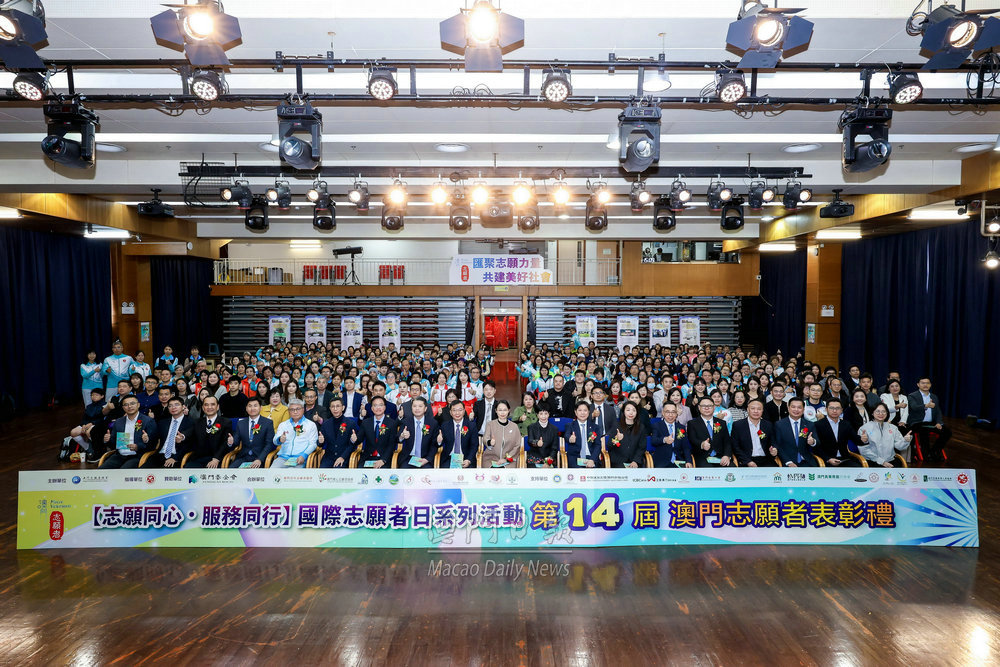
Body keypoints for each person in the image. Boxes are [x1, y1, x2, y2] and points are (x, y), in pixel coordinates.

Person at [99, 395, 158, 469]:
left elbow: (153, 444)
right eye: (126, 404)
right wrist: (107, 440)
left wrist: (142, 443)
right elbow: (113, 445)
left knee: (124, 471)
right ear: (123, 407)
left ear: (138, 405)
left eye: (132, 403)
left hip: (137, 455)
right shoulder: (119, 422)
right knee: (101, 470)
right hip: (119, 455)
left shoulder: (147, 421)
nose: (129, 406)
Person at [905, 376, 952, 462]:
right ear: (918, 384)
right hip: (917, 422)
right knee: (924, 430)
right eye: (923, 383)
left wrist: (939, 422)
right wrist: (926, 405)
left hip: (931, 423)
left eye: (927, 383)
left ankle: (934, 451)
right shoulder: (912, 396)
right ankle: (926, 454)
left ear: (930, 385)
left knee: (947, 432)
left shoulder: (934, 397)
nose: (925, 385)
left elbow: (938, 411)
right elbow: (914, 407)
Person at [141, 396, 194, 469]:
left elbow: (191, 445)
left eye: (176, 405)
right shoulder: (163, 422)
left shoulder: (191, 423)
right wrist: (147, 439)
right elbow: (154, 439)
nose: (173, 407)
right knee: (142, 471)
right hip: (159, 455)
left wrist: (176, 458)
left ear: (183, 407)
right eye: (170, 406)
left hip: (177, 456)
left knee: (164, 472)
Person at [181, 395, 231, 468]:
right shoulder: (197, 422)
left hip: (216, 458)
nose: (209, 407)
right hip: (198, 458)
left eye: (212, 404)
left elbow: (225, 443)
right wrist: (182, 436)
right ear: (203, 408)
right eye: (206, 405)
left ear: (217, 407)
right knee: (188, 468)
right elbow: (189, 432)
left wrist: (216, 459)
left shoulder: (225, 422)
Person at [859, 403, 912, 467]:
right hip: (873, 461)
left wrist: (906, 441)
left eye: (883, 411)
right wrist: (882, 462)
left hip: (891, 461)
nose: (881, 414)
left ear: (887, 413)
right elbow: (863, 450)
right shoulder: (864, 428)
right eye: (877, 411)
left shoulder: (893, 428)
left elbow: (899, 446)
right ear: (872, 413)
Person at [228, 397, 275, 468]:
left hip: (260, 458)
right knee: (230, 471)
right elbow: (236, 442)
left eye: (255, 406)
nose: (252, 408)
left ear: (260, 408)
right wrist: (231, 442)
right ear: (246, 408)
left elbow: (269, 444)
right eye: (250, 406)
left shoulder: (268, 423)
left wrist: (260, 459)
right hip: (243, 458)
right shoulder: (241, 423)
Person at [270, 399, 318, 468]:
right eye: (292, 410)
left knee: (292, 474)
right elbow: (275, 441)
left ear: (303, 409)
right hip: (283, 458)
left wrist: (304, 455)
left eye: (298, 409)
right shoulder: (283, 425)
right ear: (289, 411)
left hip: (300, 458)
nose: (295, 412)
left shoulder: (311, 425)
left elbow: (313, 444)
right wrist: (279, 439)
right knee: (272, 472)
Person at [687, 396, 733, 467]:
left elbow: (727, 442)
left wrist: (726, 455)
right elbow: (692, 439)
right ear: (699, 407)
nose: (707, 408)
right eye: (703, 406)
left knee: (732, 469)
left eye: (709, 406)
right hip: (703, 458)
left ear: (714, 407)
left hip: (721, 457)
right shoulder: (692, 423)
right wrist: (702, 444)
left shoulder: (722, 423)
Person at [730, 398, 778, 467]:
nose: (756, 411)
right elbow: (735, 447)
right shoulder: (738, 425)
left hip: (766, 460)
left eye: (759, 409)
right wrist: (748, 461)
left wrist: (774, 449)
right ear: (748, 410)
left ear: (762, 411)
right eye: (753, 408)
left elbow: (773, 442)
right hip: (746, 460)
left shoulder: (768, 425)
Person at [813, 398, 859, 467]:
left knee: (858, 468)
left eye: (837, 408)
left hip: (844, 459)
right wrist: (828, 459)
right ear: (826, 409)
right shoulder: (818, 425)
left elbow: (856, 439)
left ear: (841, 410)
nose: (834, 411)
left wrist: (864, 439)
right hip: (826, 460)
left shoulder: (846, 424)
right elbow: (816, 448)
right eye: (831, 408)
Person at [64, 387, 106, 463]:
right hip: (87, 424)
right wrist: (83, 425)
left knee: (89, 432)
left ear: (102, 396)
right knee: (73, 432)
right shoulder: (89, 406)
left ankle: (97, 450)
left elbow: (103, 419)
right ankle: (87, 448)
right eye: (92, 395)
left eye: (96, 395)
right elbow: (85, 418)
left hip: (97, 424)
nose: (94, 397)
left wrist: (92, 423)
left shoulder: (105, 405)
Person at [774, 397, 817, 467]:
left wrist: (813, 442)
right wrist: (788, 462)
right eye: (793, 407)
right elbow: (778, 446)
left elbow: (817, 441)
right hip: (788, 462)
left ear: (803, 410)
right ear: (788, 408)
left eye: (799, 407)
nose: (796, 410)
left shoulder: (809, 424)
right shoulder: (779, 425)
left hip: (807, 461)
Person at [395, 397, 438, 468]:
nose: (417, 408)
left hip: (425, 458)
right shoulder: (406, 422)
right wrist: (402, 436)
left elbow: (434, 445)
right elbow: (397, 439)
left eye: (420, 406)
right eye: (414, 406)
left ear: (425, 409)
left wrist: (427, 459)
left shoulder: (433, 423)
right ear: (411, 408)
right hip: (408, 458)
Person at [358, 396, 398, 469]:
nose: (378, 408)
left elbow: (392, 444)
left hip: (384, 458)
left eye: (380, 405)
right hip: (367, 457)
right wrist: (354, 439)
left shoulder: (392, 423)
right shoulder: (365, 423)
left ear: (384, 407)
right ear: (372, 408)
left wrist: (383, 460)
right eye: (375, 405)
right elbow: (359, 439)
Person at [318, 397, 359, 468]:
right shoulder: (326, 424)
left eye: (338, 406)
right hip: (328, 458)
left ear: (343, 408)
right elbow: (320, 444)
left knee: (338, 470)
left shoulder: (350, 423)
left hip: (344, 457)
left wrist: (343, 457)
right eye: (333, 407)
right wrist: (321, 442)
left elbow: (352, 445)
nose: (335, 409)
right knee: (322, 472)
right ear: (330, 408)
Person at [481, 399, 522, 468]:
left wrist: (506, 459)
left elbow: (517, 445)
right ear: (496, 411)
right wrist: (490, 442)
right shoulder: (490, 424)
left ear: (508, 411)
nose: (502, 413)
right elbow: (485, 439)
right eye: (500, 410)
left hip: (508, 460)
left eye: (505, 410)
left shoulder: (514, 426)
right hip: (491, 459)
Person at [436, 400, 476, 468]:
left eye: (460, 410)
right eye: (454, 410)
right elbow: (438, 445)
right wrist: (439, 442)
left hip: (465, 458)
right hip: (449, 458)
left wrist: (468, 460)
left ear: (464, 411)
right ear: (450, 412)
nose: (457, 413)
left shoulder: (471, 425)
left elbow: (474, 445)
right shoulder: (445, 426)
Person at [606, 402, 647, 468]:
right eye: (628, 410)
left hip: (635, 461)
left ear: (637, 412)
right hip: (618, 461)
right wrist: (616, 439)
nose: (631, 413)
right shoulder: (616, 426)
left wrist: (636, 461)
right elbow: (609, 446)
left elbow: (641, 447)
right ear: (623, 412)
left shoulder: (641, 427)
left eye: (634, 410)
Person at [563, 401, 602, 468]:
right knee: (578, 471)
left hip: (591, 457)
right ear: (575, 412)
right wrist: (570, 439)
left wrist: (592, 459)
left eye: (585, 410)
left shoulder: (595, 427)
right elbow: (566, 435)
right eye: (580, 410)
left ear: (589, 412)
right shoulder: (570, 425)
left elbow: (597, 445)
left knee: (593, 471)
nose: (582, 413)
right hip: (575, 458)